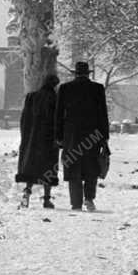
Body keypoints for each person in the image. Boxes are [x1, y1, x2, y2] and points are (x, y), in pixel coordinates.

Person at [55, 61, 110, 212]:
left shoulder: (65, 88)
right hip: (93, 134)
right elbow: (102, 114)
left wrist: (59, 136)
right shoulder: (97, 89)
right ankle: (89, 199)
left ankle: (76, 203)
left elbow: (58, 114)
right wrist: (104, 136)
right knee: (91, 167)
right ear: (88, 73)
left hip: (71, 134)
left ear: (75, 73)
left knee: (73, 167)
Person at [15, 72, 60, 209]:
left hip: (32, 139)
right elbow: (58, 121)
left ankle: (27, 194)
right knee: (49, 168)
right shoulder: (56, 99)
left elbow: (24, 119)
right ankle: (46, 199)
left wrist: (26, 136)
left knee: (31, 167)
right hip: (49, 140)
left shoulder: (31, 97)